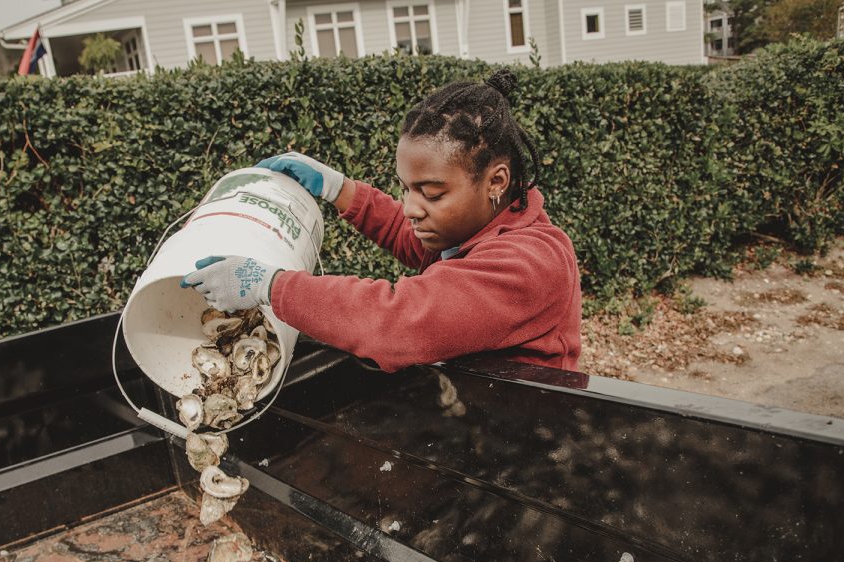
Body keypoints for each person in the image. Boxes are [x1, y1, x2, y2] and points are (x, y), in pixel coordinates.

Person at [182, 70, 581, 373]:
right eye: (406, 189)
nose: (411, 207)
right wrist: (338, 188)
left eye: (432, 192)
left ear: (496, 181)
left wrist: (270, 285)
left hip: (524, 446)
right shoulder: (465, 228)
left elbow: (399, 323)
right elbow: (409, 238)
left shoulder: (531, 263)